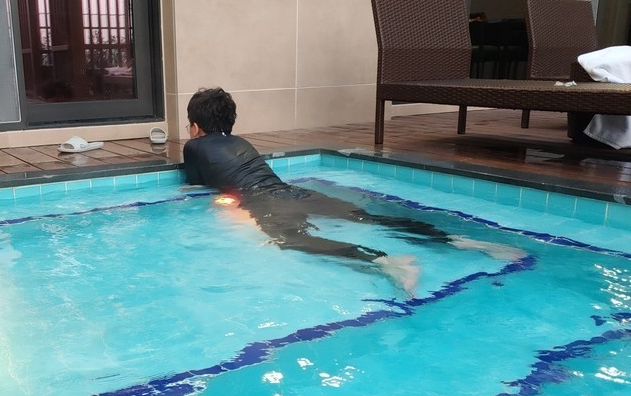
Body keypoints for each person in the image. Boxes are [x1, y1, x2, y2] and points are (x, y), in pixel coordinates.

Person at [182, 87, 524, 295]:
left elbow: (196, 186)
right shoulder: (242, 141)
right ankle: (461, 242)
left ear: (195, 127)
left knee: (292, 240)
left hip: (262, 199)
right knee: (370, 218)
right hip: (291, 191)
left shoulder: (194, 146)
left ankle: (386, 261)